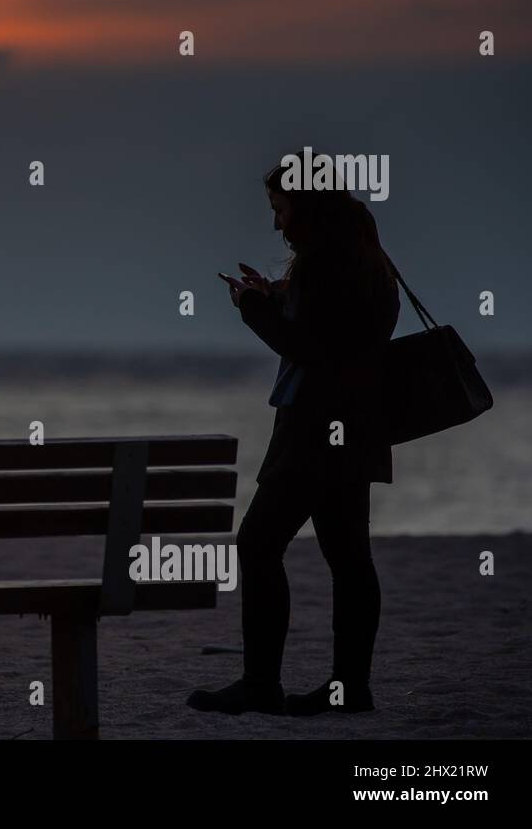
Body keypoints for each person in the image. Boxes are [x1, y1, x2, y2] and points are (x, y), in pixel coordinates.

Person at [188, 154, 400, 716]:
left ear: (305, 206)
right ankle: (350, 687)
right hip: (358, 427)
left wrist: (253, 307)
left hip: (314, 430)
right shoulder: (369, 260)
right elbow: (339, 334)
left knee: (257, 544)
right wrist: (281, 295)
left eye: (280, 209)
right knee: (349, 557)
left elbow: (305, 347)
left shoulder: (321, 264)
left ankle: (261, 682)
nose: (276, 223)